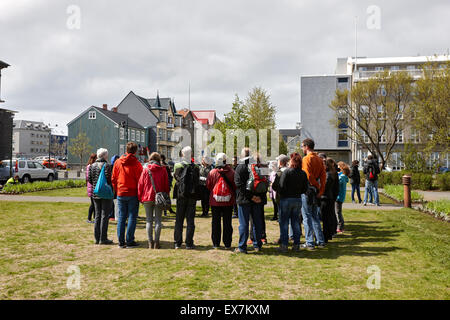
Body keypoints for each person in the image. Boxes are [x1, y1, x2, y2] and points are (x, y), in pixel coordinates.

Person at [234, 148, 266, 254]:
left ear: (242, 155)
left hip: (244, 200)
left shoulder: (240, 167)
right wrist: (258, 197)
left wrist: (250, 197)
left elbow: (239, 185)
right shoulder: (256, 166)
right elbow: (264, 182)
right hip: (257, 199)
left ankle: (242, 247)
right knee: (257, 222)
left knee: (243, 224)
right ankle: (257, 245)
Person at [112, 142, 143, 248]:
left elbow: (114, 178)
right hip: (132, 192)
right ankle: (129, 240)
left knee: (121, 217)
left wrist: (117, 189)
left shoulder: (118, 162)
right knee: (132, 217)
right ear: (135, 151)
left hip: (121, 191)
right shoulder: (137, 164)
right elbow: (140, 180)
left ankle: (121, 241)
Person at [277, 153, 308, 252]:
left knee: (284, 223)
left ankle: (284, 245)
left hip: (286, 199)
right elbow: (305, 188)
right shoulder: (303, 173)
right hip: (297, 199)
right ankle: (296, 244)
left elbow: (281, 186)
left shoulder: (287, 172)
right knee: (295, 222)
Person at [138, 152, 169, 249]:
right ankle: (157, 242)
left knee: (149, 221)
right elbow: (166, 185)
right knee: (158, 221)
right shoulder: (163, 170)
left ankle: (150, 242)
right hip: (159, 197)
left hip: (147, 197)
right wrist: (166, 195)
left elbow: (140, 184)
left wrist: (140, 197)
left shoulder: (145, 169)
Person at [300, 138, 326, 250]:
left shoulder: (306, 159)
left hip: (308, 189)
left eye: (302, 146)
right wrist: (320, 190)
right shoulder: (319, 159)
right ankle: (320, 240)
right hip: (316, 190)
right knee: (315, 216)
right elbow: (323, 177)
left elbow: (307, 175)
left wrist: (315, 185)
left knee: (307, 216)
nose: (302, 148)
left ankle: (310, 242)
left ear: (306, 146)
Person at [206, 153, 236, 249]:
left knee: (215, 222)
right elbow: (235, 186)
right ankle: (227, 243)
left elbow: (208, 185)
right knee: (227, 222)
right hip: (228, 201)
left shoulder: (212, 172)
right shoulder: (231, 172)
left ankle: (216, 243)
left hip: (215, 201)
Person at [173, 146, 200, 250]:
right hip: (192, 196)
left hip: (181, 195)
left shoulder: (177, 165)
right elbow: (197, 181)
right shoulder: (196, 167)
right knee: (190, 221)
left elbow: (177, 179)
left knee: (179, 220)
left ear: (183, 154)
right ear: (191, 154)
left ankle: (177, 243)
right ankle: (189, 243)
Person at [88, 148, 114, 245]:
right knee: (104, 216)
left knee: (97, 216)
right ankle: (103, 238)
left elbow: (90, 179)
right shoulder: (107, 166)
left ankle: (96, 238)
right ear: (104, 156)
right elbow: (109, 179)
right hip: (106, 194)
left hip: (96, 193)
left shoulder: (92, 166)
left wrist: (96, 186)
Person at [270, 154, 289, 245]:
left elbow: (274, 185)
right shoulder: (291, 170)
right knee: (293, 220)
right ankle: (293, 239)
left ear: (281, 162)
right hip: (292, 197)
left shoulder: (280, 172)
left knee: (283, 220)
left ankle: (283, 239)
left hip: (282, 198)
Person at [320, 158, 339, 242]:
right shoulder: (331, 173)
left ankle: (326, 236)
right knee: (328, 217)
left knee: (326, 218)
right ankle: (328, 235)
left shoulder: (328, 175)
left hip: (326, 198)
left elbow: (325, 187)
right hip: (329, 197)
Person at [335, 162, 350, 233]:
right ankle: (340, 226)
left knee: (338, 213)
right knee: (338, 212)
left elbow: (336, 184)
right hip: (340, 196)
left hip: (338, 197)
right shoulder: (344, 177)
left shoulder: (341, 177)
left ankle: (340, 227)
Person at [86, 153, 97, 224]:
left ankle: (94, 218)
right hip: (91, 186)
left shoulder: (90, 166)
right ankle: (89, 218)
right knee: (93, 204)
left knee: (94, 204)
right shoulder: (90, 166)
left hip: (91, 186)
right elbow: (88, 177)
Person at [110, 154, 120, 221]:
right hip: (113, 186)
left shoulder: (118, 166)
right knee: (113, 201)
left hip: (116, 186)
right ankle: (112, 215)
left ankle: (114, 215)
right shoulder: (111, 167)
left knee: (115, 202)